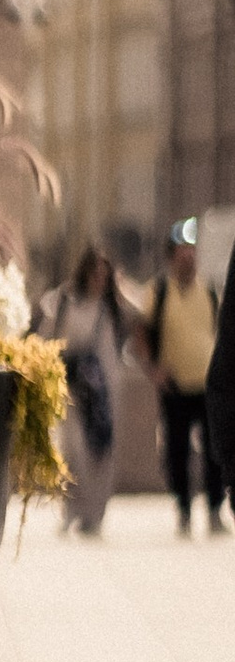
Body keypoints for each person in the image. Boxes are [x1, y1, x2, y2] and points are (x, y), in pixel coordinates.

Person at [39, 244, 128, 537]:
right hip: (72, 385)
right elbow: (49, 337)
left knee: (100, 450)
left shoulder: (111, 306)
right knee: (73, 449)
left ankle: (95, 514)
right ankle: (71, 510)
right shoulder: (66, 301)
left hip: (103, 389)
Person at [144, 228, 224, 537]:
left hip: (207, 384)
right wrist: (154, 369)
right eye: (182, 254)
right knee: (177, 450)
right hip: (175, 385)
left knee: (213, 450)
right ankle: (183, 509)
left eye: (192, 253)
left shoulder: (210, 292)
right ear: (172, 259)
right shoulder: (159, 291)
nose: (189, 259)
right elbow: (142, 332)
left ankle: (216, 508)